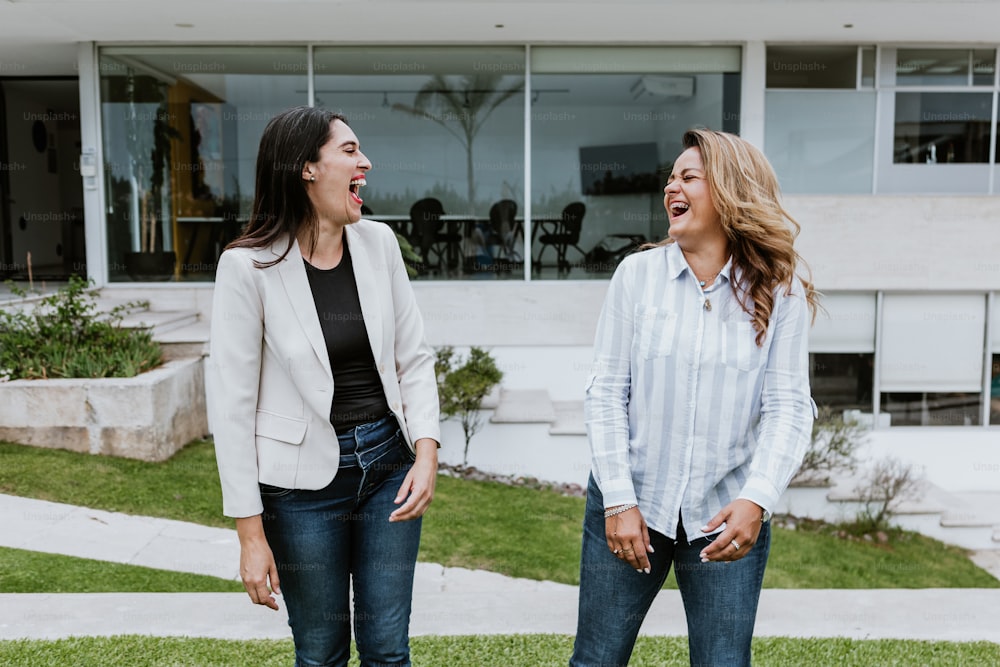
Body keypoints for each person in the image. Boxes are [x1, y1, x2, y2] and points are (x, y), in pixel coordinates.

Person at [570, 128, 818, 667]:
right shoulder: (637, 276)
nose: (669, 188)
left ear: (730, 190)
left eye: (687, 177)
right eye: (669, 179)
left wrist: (757, 501)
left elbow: (790, 407)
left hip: (725, 515)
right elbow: (607, 392)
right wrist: (618, 500)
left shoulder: (781, 291)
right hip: (631, 504)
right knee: (596, 660)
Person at [207, 105, 440, 667]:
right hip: (301, 492)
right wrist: (249, 534)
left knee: (388, 649)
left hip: (389, 468)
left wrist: (427, 451)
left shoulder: (379, 244)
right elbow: (232, 407)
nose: (366, 162)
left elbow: (414, 357)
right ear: (306, 169)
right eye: (350, 150)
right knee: (321, 652)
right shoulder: (247, 268)